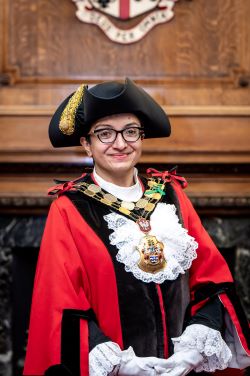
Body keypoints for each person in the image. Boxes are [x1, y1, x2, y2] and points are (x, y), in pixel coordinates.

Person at [23, 78, 250, 376]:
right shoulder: (69, 208)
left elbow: (211, 279)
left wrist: (193, 351)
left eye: (130, 131)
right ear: (85, 143)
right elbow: (61, 304)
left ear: (142, 137)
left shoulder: (171, 196)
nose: (120, 143)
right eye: (105, 133)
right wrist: (123, 365)